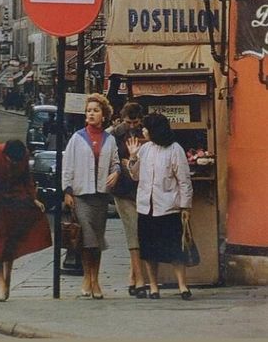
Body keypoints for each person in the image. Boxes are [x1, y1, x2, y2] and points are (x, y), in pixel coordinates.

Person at [0, 139, 52, 302]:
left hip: (15, 202)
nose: (13, 163)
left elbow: (27, 180)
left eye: (16, 161)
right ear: (5, 154)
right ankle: (1, 284)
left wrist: (33, 198)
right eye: (10, 160)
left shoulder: (23, 156)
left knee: (11, 245)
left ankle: (8, 281)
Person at [127, 112, 193, 300]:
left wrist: (185, 206)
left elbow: (184, 180)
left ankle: (182, 285)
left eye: (146, 127)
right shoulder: (145, 149)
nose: (143, 130)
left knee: (175, 249)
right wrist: (133, 158)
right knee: (149, 250)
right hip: (146, 207)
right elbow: (135, 176)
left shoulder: (174, 149)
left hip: (168, 207)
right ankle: (154, 286)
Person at [62, 93, 120, 299]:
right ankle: (90, 279)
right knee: (88, 240)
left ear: (104, 115)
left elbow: (115, 163)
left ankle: (94, 277)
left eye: (96, 110)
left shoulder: (109, 139)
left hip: (100, 196)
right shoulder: (77, 138)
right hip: (81, 195)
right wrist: (67, 191)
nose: (91, 114)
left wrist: (116, 172)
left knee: (97, 240)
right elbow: (67, 165)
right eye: (89, 111)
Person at [108, 102, 147, 297]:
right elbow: (110, 159)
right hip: (123, 190)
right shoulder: (115, 135)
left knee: (140, 232)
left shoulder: (146, 133)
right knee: (133, 232)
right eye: (128, 122)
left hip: (142, 189)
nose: (132, 126)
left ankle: (132, 276)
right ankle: (140, 280)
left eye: (135, 122)